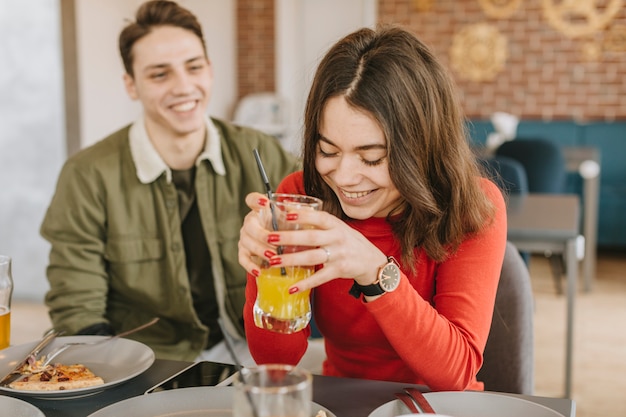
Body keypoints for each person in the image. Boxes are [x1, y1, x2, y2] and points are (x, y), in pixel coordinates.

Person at [237, 25, 507, 391]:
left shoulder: (471, 208)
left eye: (372, 158)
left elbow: (455, 374)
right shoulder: (302, 197)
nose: (345, 177)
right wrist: (266, 263)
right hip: (343, 402)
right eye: (328, 151)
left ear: (421, 147)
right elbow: (275, 360)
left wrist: (375, 271)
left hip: (438, 408)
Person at [40, 0, 299, 362]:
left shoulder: (261, 153)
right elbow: (77, 307)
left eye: (194, 67)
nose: (183, 86)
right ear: (131, 85)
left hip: (251, 345)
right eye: (160, 74)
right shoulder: (87, 175)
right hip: (144, 359)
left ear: (209, 70)